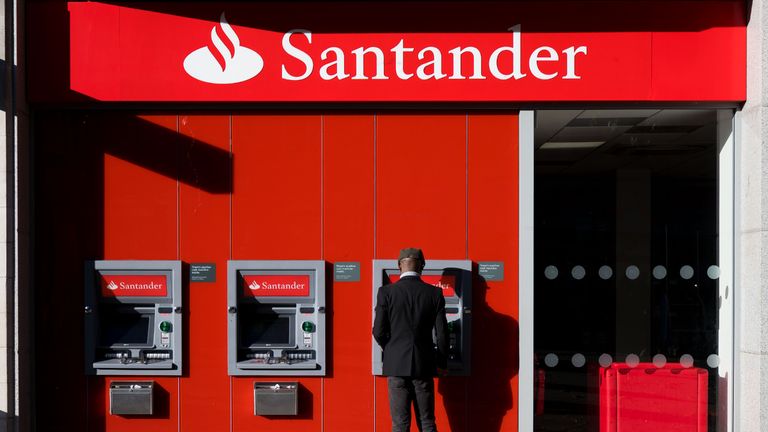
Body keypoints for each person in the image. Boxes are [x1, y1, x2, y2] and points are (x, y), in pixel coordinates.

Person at [373, 247, 449, 432]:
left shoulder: (386, 292)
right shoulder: (434, 294)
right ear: (422, 266)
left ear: (399, 265)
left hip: (396, 366)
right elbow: (442, 333)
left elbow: (378, 331)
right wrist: (441, 362)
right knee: (427, 422)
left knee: (400, 424)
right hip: (424, 365)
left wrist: (391, 349)